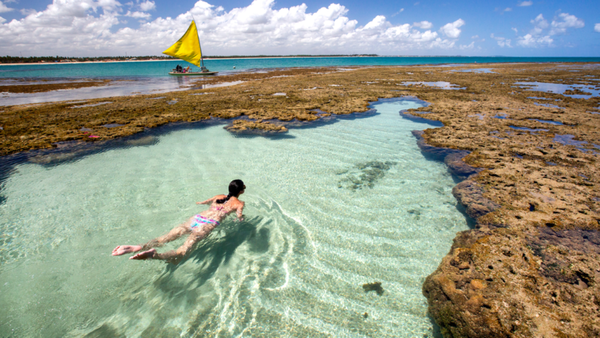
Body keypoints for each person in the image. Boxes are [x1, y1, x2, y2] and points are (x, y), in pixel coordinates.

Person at [112, 180, 246, 264]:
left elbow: (202, 202)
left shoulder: (219, 196)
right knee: (182, 252)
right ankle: (155, 255)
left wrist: (199, 202)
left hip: (196, 219)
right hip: (207, 225)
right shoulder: (239, 203)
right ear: (241, 191)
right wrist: (241, 220)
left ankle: (137, 247)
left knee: (164, 239)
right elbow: (239, 218)